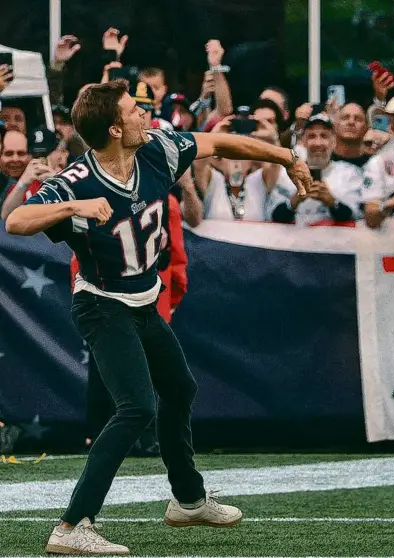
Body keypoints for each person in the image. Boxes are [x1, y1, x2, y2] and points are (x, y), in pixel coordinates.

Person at [5, 79, 312, 555]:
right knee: (136, 408)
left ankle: (188, 500)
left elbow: (219, 141)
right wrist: (73, 206)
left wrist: (287, 158)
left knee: (180, 389)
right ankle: (71, 526)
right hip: (103, 304)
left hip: (143, 299)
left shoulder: (154, 151)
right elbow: (17, 221)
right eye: (133, 111)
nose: (145, 115)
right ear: (112, 128)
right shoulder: (78, 181)